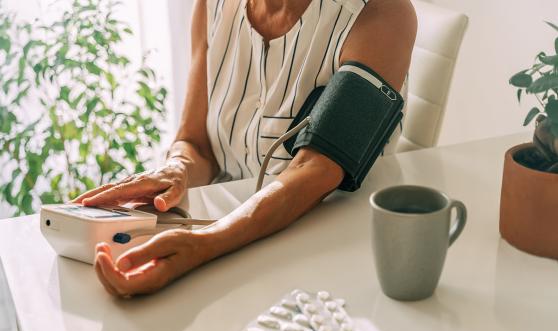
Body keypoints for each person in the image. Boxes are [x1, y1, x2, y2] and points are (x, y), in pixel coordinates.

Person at [74, 0, 417, 297]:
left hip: (332, 259)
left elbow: (313, 170)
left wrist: (205, 244)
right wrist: (177, 167)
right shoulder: (213, 7)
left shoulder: (380, 15)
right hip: (230, 246)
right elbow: (197, 144)